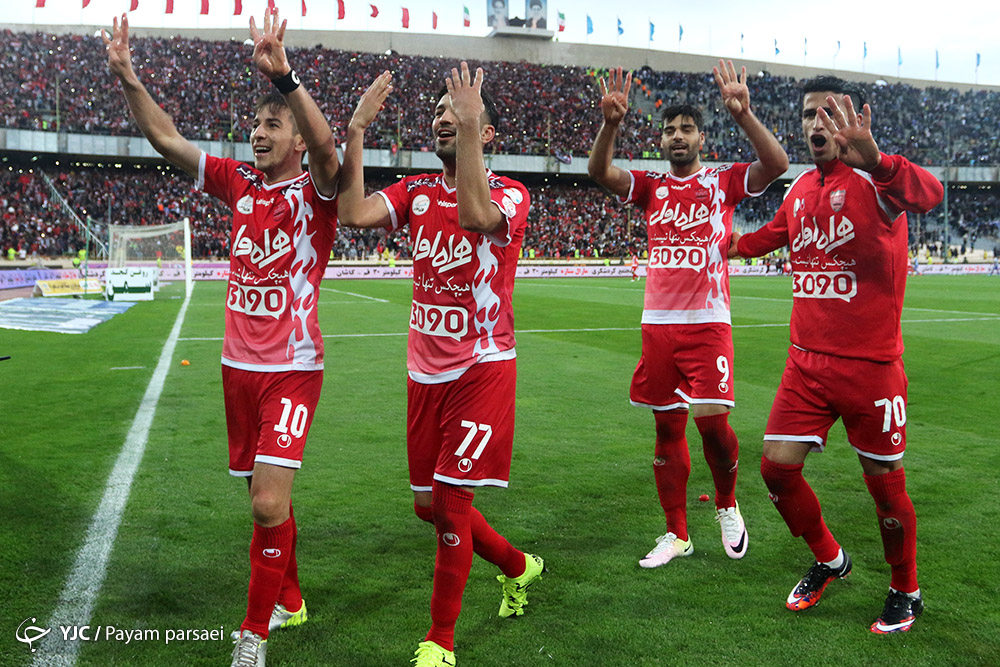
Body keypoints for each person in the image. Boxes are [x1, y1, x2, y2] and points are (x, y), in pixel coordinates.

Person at [104, 9, 341, 665]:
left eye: (273, 125)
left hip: (292, 367)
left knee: (268, 500)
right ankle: (290, 598)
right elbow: (166, 139)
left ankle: (252, 635)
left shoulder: (316, 190)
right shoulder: (236, 182)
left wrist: (288, 79)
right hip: (237, 367)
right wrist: (127, 75)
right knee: (264, 502)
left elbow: (328, 151)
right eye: (257, 123)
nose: (258, 133)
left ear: (293, 137)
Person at [339, 64, 543, 667]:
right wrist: (355, 131)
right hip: (423, 372)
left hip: (482, 368)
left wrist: (472, 123)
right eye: (438, 112)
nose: (443, 117)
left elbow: (478, 218)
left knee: (451, 502)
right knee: (427, 506)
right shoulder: (416, 191)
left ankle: (441, 641)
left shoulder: (510, 195)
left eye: (458, 112)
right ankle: (517, 564)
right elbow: (351, 214)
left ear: (487, 133)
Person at [728, 75, 943, 634]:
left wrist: (878, 158)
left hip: (871, 369)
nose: (815, 124)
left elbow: (931, 195)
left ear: (849, 119)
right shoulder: (800, 189)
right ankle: (830, 558)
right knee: (775, 470)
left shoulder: (878, 182)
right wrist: (717, 241)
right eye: (806, 116)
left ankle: (906, 588)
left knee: (885, 484)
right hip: (805, 364)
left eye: (826, 113)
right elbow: (765, 237)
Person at [588, 62, 788, 568]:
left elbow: (778, 164)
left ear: (701, 138)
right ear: (661, 141)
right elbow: (599, 173)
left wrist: (744, 116)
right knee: (666, 430)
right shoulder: (651, 188)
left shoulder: (722, 182)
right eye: (669, 131)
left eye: (686, 129)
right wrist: (610, 124)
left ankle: (726, 504)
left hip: (707, 323)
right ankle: (676, 533)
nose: (677, 137)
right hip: (658, 327)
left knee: (713, 426)